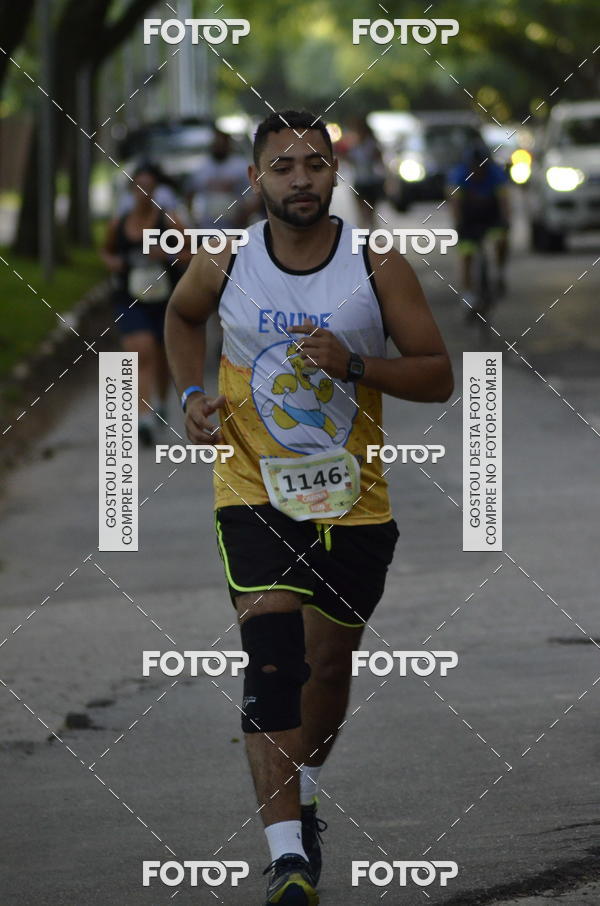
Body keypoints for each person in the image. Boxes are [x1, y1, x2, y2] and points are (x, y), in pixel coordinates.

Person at [165, 109, 453, 906]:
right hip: (252, 489)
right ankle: (287, 858)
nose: (300, 179)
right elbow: (182, 316)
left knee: (327, 669)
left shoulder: (375, 262)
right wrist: (190, 394)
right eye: (283, 166)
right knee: (273, 659)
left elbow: (438, 374)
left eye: (315, 165)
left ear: (334, 173)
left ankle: (307, 794)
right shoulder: (225, 258)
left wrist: (357, 365)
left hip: (353, 502)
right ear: (255, 178)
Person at [101, 164, 190, 446]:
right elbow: (106, 251)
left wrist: (167, 253)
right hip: (131, 299)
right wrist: (114, 263)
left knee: (162, 358)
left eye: (149, 188)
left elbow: (191, 252)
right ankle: (144, 417)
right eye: (139, 187)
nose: (144, 193)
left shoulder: (169, 221)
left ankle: (160, 403)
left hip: (164, 300)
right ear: (131, 190)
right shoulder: (119, 224)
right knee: (141, 353)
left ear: (156, 191)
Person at [446, 144, 510, 317]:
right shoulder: (459, 175)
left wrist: (505, 221)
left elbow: (504, 201)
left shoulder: (496, 173)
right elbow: (455, 203)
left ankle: (499, 272)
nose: (478, 170)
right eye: (474, 166)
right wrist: (458, 223)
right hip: (469, 218)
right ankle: (468, 295)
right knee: (466, 254)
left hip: (491, 215)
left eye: (482, 166)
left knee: (501, 240)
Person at [187, 128, 254, 228]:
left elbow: (254, 194)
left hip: (236, 224)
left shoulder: (241, 165)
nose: (219, 146)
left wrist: (246, 213)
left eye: (222, 143)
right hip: (208, 225)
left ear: (228, 144)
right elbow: (190, 193)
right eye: (217, 143)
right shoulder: (201, 167)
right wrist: (192, 219)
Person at [346, 115, 386, 229]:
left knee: (370, 213)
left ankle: (371, 233)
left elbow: (379, 162)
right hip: (360, 181)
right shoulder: (355, 145)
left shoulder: (371, 145)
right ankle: (363, 234)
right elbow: (351, 161)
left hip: (371, 182)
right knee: (361, 214)